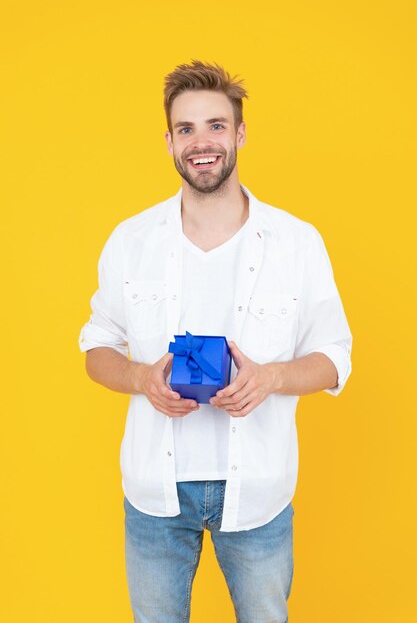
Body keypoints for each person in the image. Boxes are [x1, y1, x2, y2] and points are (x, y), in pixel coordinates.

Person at [79, 60, 352, 623]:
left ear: (240, 133)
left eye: (216, 125)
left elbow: (334, 357)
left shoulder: (297, 243)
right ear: (169, 141)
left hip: (259, 489)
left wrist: (271, 377)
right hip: (154, 490)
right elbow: (96, 347)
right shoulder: (131, 241)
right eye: (186, 129)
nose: (201, 142)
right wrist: (139, 378)